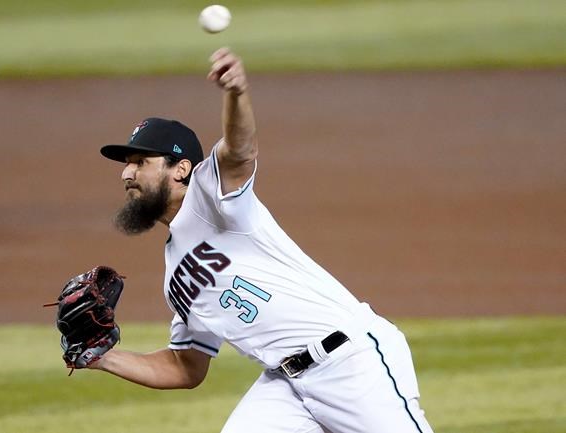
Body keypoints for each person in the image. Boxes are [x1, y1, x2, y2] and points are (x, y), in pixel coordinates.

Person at [95, 47, 434, 433]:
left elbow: (240, 151)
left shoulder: (212, 195)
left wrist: (236, 94)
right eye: (126, 165)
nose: (126, 175)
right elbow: (184, 367)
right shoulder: (176, 276)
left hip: (349, 361)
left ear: (182, 169)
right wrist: (103, 358)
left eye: (141, 162)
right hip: (286, 385)